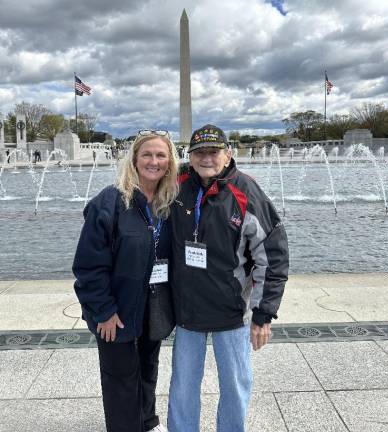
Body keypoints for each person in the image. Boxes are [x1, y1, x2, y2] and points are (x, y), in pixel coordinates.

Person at [168, 124, 289, 432]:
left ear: (228, 155)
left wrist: (264, 314)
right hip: (187, 310)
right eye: (198, 152)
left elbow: (272, 255)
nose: (206, 158)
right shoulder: (177, 184)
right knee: (182, 387)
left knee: (235, 386)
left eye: (213, 151)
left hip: (233, 311)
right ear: (190, 156)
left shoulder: (246, 190)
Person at [73, 129, 179, 432]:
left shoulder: (168, 203)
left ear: (170, 161)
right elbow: (88, 266)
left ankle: (146, 421)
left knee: (148, 367)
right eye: (147, 154)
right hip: (115, 309)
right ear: (134, 159)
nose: (154, 161)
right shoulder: (110, 202)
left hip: (154, 304)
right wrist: (103, 311)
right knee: (120, 376)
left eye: (161, 155)